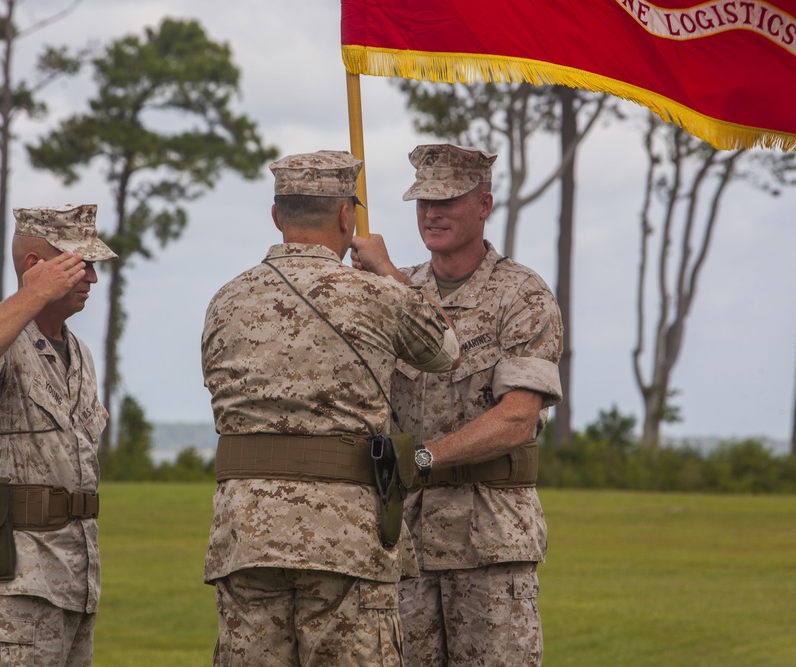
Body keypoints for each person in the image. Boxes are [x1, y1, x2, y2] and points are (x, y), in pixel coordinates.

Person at [201, 150, 461, 666]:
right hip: (345, 539)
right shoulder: (376, 296)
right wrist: (385, 269)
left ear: (277, 216)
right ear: (347, 217)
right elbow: (445, 350)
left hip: (246, 535)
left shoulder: (224, 300)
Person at [351, 143, 564, 667]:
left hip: (489, 542)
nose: (432, 213)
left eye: (447, 200)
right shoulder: (390, 289)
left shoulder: (521, 295)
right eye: (423, 201)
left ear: (484, 205)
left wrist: (422, 457)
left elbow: (517, 419)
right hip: (407, 542)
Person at [0, 204, 117, 666]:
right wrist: (32, 294)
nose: (92, 279)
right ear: (36, 267)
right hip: (11, 593)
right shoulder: (3, 339)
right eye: (78, 265)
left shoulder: (77, 352)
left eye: (92, 266)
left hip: (74, 586)